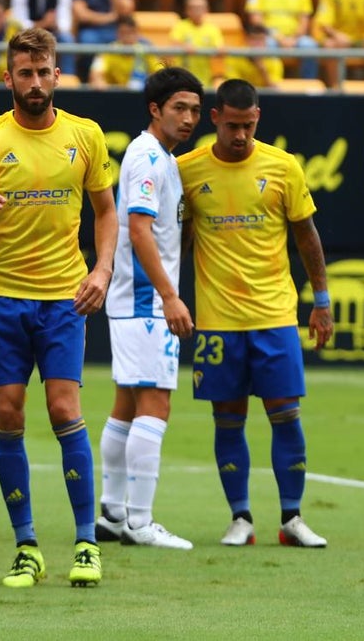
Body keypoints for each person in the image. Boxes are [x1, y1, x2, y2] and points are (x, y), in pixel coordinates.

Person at [0, 27, 117, 588]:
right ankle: (26, 545)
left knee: (63, 409)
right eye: (23, 72)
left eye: (42, 70)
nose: (34, 81)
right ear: (8, 79)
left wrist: (102, 269)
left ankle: (86, 543)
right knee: (7, 413)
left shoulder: (86, 135)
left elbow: (106, 210)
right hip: (3, 293)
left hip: (64, 295)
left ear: (56, 74)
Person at [177, 78, 332, 550]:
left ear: (257, 119)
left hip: (275, 314)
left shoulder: (283, 167)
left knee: (286, 414)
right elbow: (176, 242)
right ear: (215, 118)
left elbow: (306, 236)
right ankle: (240, 517)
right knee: (228, 418)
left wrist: (321, 302)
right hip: (218, 319)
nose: (240, 136)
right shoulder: (185, 170)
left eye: (248, 126)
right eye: (232, 126)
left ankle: (292, 518)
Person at [96, 67, 201, 551]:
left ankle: (113, 512)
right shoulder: (147, 157)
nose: (189, 118)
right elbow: (139, 229)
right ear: (155, 109)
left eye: (195, 110)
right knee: (156, 403)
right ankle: (140, 521)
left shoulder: (161, 157)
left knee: (127, 403)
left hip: (135, 300)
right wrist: (169, 295)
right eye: (179, 107)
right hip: (143, 301)